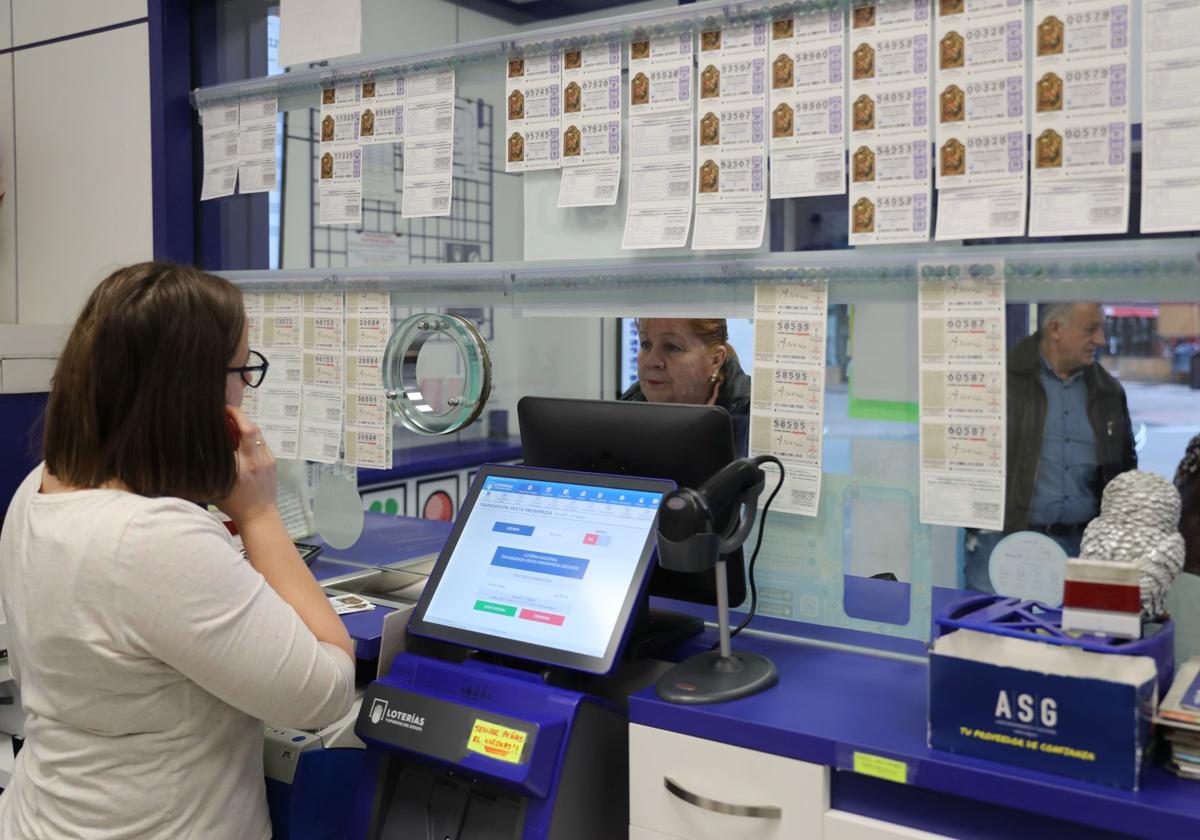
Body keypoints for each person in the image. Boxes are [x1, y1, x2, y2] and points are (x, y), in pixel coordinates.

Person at [0, 262, 355, 838]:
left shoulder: (40, 486)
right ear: (194, 390)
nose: (244, 389)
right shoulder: (151, 538)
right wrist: (259, 513)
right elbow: (326, 691)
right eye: (242, 370)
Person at [965, 301, 1137, 592]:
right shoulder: (1002, 381)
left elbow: (1125, 470)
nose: (1100, 340)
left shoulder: (1107, 392)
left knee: (1069, 636)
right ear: (1055, 329)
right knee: (990, 633)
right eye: (1090, 329)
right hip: (1003, 542)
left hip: (1080, 548)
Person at [619, 318, 751, 455]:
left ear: (715, 360)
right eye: (646, 344)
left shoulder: (753, 419)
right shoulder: (625, 413)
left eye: (672, 347)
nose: (651, 361)